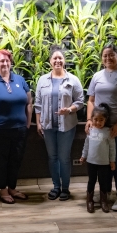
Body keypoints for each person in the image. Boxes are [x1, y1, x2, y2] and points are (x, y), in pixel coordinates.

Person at [86, 43, 117, 211]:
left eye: (111, 55)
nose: (108, 58)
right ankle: (105, 192)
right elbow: (91, 100)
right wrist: (89, 120)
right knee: (103, 160)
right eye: (105, 55)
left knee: (116, 159)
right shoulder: (97, 76)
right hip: (101, 126)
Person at [0, 49, 32, 204]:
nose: (5, 63)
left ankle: (13, 188)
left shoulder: (20, 80)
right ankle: (3, 190)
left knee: (16, 160)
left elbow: (29, 103)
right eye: (1, 61)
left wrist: (27, 125)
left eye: (7, 60)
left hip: (20, 130)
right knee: (0, 161)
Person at [35, 45, 84, 201]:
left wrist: (69, 109)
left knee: (64, 158)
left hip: (67, 126)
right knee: (52, 157)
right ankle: (56, 187)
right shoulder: (42, 80)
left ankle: (65, 188)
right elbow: (38, 104)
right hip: (48, 126)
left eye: (60, 58)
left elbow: (81, 101)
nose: (57, 60)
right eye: (55, 58)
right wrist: (38, 123)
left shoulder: (73, 80)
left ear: (64, 61)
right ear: (50, 61)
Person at [81, 103, 116, 213]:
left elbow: (112, 148)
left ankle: (103, 201)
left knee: (103, 182)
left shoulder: (108, 132)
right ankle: (90, 200)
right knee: (91, 181)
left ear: (105, 120)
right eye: (95, 119)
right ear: (91, 119)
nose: (98, 122)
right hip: (91, 162)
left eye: (101, 120)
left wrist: (112, 161)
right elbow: (86, 145)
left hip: (104, 163)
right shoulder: (90, 130)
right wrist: (83, 156)